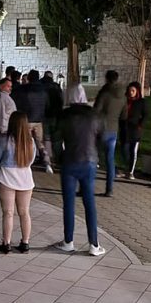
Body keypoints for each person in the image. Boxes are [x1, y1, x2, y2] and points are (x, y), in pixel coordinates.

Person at [56, 97, 106, 256]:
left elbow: (56, 139)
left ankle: (68, 242)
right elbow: (102, 139)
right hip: (89, 161)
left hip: (69, 161)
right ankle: (94, 244)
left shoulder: (65, 116)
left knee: (68, 203)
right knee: (89, 202)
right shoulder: (95, 116)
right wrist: (97, 156)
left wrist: (60, 157)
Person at [0, 111, 36, 254]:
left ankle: (6, 244)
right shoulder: (30, 141)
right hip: (26, 180)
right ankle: (25, 243)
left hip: (7, 178)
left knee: (8, 213)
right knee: (24, 212)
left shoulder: (4, 140)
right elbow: (31, 160)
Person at [93, 70, 126, 197]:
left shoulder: (105, 94)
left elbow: (96, 111)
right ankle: (109, 189)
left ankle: (86, 187)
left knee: (93, 158)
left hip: (101, 129)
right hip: (114, 130)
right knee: (110, 160)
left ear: (107, 79)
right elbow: (124, 115)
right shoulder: (123, 96)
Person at [15, 70, 53, 174]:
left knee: (26, 141)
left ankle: (26, 162)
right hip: (39, 120)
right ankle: (47, 163)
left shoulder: (23, 89)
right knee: (40, 142)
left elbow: (18, 103)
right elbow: (48, 105)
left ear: (29, 78)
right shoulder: (43, 90)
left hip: (26, 119)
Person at [120, 81, 146, 180]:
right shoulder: (124, 100)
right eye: (129, 90)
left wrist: (140, 124)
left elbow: (145, 114)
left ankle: (131, 171)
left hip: (135, 130)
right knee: (124, 149)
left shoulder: (141, 102)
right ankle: (126, 168)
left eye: (133, 91)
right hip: (125, 128)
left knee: (133, 151)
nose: (131, 92)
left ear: (137, 91)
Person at [42, 71, 65, 164]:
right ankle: (58, 159)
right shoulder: (56, 87)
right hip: (56, 116)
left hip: (45, 115)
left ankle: (48, 160)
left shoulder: (42, 86)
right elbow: (61, 100)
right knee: (57, 140)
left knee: (46, 138)